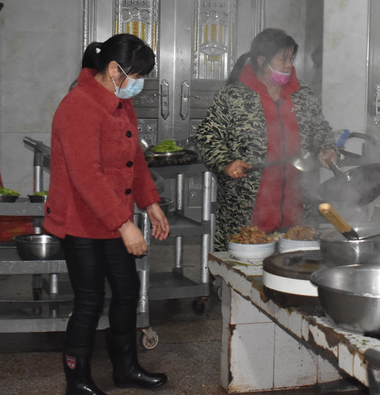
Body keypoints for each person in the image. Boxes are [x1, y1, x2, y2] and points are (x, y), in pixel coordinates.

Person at [44, 33, 170, 395]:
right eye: (137, 75)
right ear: (115, 70)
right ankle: (78, 380)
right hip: (81, 219)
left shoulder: (119, 102)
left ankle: (125, 369)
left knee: (127, 290)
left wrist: (151, 203)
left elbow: (134, 159)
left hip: (113, 215)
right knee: (89, 301)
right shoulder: (79, 106)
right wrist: (125, 225)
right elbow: (87, 176)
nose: (138, 84)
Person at [195, 28, 338, 251]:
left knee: (295, 262)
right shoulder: (234, 96)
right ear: (262, 61)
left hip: (297, 199)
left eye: (291, 58)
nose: (289, 65)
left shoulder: (303, 94)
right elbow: (207, 136)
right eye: (283, 58)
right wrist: (226, 162)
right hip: (246, 203)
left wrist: (326, 147)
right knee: (245, 262)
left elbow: (320, 128)